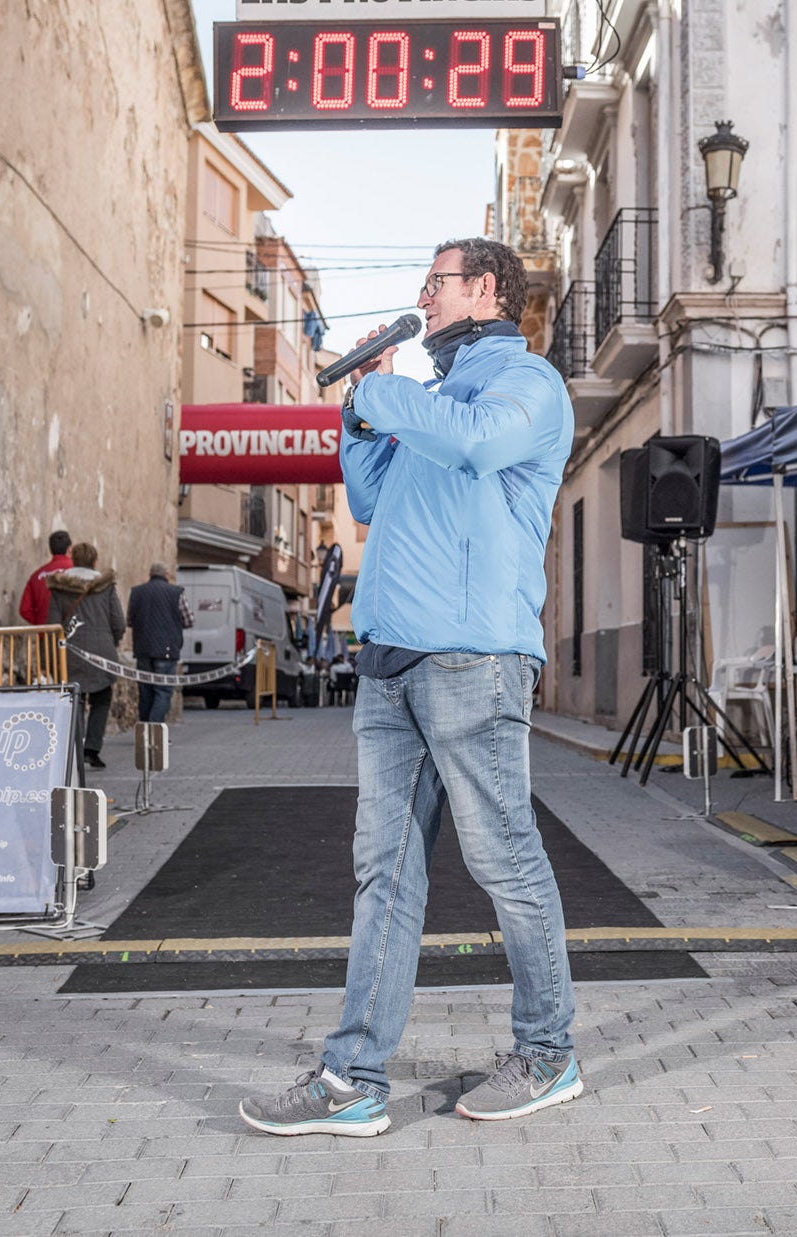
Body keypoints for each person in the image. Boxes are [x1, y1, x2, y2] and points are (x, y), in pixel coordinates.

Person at [240, 237, 580, 1139]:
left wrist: (382, 393)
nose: (421, 298)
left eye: (436, 284)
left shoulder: (528, 386)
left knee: (503, 855)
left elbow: (477, 448)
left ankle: (549, 1052)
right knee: (382, 872)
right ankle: (353, 1078)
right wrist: (360, 422)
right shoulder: (426, 403)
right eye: (423, 285)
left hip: (473, 660)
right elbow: (369, 500)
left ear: (486, 290)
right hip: (390, 661)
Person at [47, 543, 124, 768]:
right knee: (102, 698)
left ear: (74, 559)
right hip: (102, 651)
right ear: (94, 560)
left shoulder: (60, 587)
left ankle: (75, 746)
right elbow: (118, 621)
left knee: (75, 698)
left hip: (70, 651)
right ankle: (92, 748)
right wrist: (113, 641)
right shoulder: (106, 586)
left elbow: (52, 625)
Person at [127, 562, 192, 724]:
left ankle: (144, 730)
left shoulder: (136, 592)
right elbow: (189, 619)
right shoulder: (176, 593)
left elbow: (129, 620)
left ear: (150, 575)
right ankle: (154, 729)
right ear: (166, 575)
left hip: (142, 649)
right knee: (163, 691)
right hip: (167, 650)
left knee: (146, 691)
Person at [19, 530, 72, 625]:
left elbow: (24, 610)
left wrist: (41, 624)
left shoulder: (36, 576)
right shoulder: (76, 570)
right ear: (69, 549)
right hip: (74, 634)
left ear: (51, 549)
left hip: (47, 635)